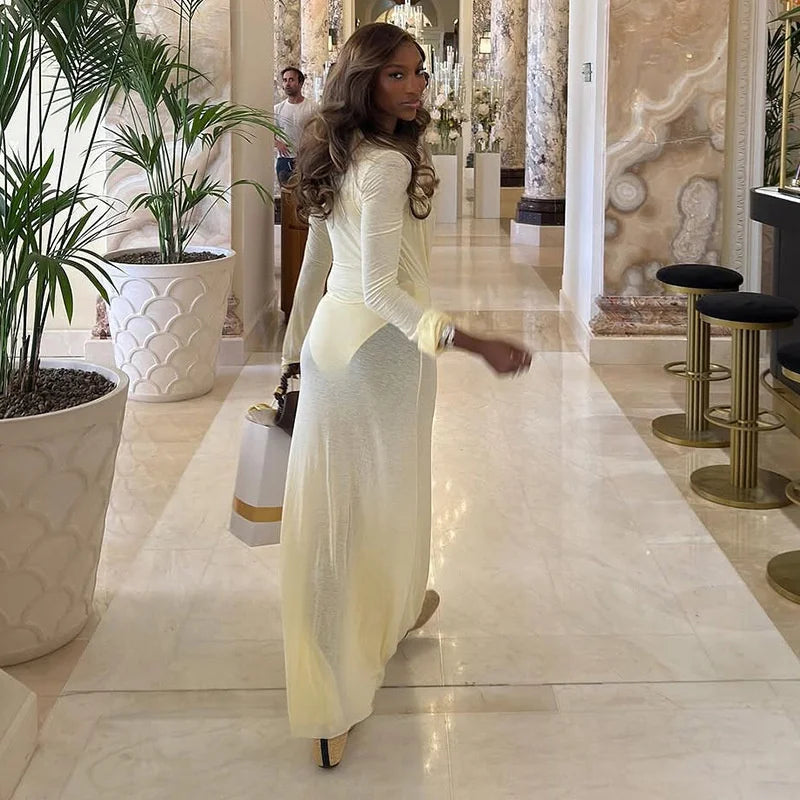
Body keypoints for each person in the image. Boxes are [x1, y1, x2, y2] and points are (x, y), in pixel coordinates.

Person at [277, 23, 532, 769]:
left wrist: (294, 355)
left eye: (419, 72)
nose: (418, 86)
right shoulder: (386, 165)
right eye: (398, 75)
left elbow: (318, 265)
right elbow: (383, 288)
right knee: (371, 504)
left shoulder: (339, 151)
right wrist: (474, 342)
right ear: (365, 82)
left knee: (341, 507)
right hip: (381, 355)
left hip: (332, 347)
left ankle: (391, 610)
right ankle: (332, 693)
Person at [274, 67, 318, 186]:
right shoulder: (277, 109)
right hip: (284, 160)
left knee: (306, 197)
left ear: (300, 83)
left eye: (291, 80)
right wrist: (277, 143)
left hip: (306, 159)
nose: (287, 83)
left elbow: (320, 132)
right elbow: (267, 132)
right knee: (286, 197)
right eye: (285, 80)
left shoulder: (313, 107)